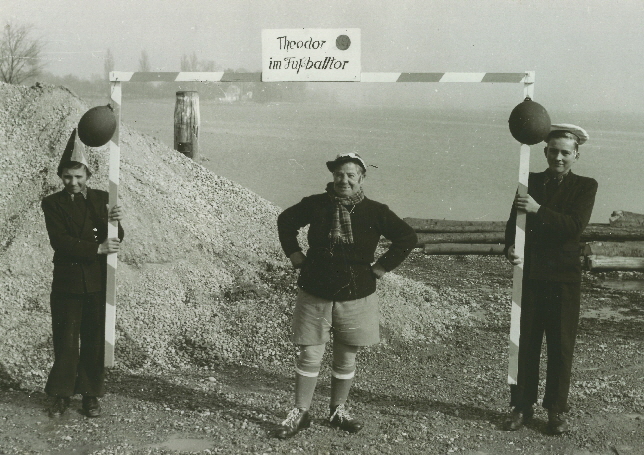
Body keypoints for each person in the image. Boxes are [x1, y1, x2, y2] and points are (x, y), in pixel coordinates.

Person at [275, 152, 417, 439]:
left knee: (346, 357)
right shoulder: (315, 205)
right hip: (315, 289)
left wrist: (381, 267)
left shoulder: (376, 211)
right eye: (340, 174)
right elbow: (285, 221)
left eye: (351, 175)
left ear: (361, 178)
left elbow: (407, 238)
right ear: (333, 177)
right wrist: (294, 254)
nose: (344, 180)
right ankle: (300, 412)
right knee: (309, 354)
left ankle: (337, 410)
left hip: (356, 293)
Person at [503, 124, 598, 434]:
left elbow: (573, 226)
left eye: (565, 152)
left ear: (576, 155)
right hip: (529, 275)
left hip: (563, 280)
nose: (558, 157)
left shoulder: (585, 186)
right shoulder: (527, 181)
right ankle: (521, 406)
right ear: (545, 152)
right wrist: (510, 248)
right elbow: (511, 226)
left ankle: (556, 411)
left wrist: (538, 209)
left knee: (560, 346)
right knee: (525, 343)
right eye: (553, 151)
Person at [42, 129, 124, 418]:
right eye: (67, 176)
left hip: (97, 282)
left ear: (88, 175)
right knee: (65, 340)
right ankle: (61, 395)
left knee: (92, 340)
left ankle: (90, 395)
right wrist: (96, 250)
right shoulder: (52, 204)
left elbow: (116, 237)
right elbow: (60, 241)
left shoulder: (103, 198)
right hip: (67, 282)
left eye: (78, 176)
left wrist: (114, 221)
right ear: (61, 176)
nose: (73, 182)